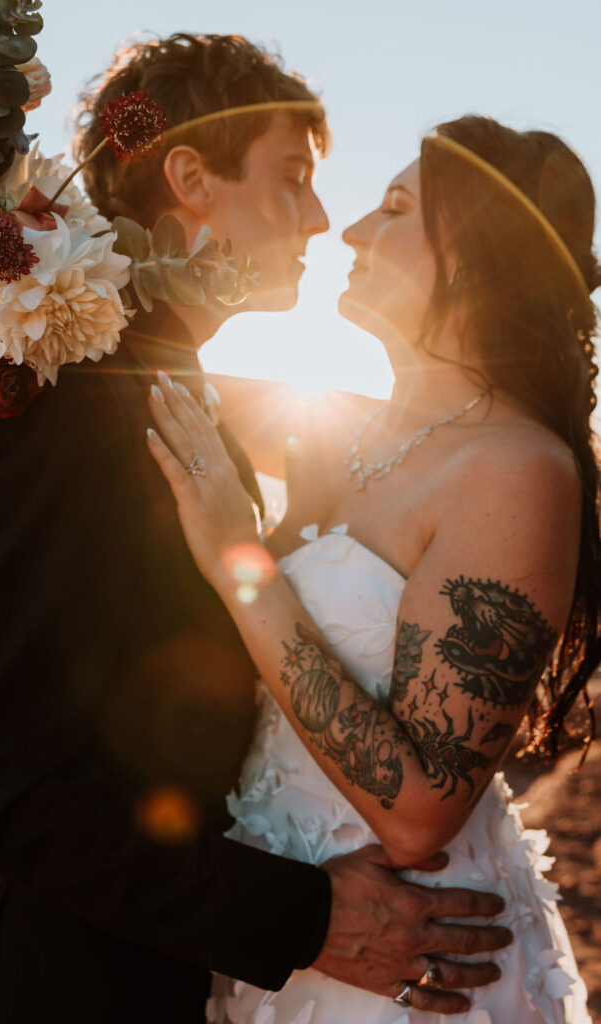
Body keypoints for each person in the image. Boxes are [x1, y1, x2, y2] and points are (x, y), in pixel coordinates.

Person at [0, 39, 510, 1024]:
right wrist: (304, 919)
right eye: (292, 178)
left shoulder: (166, 383)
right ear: (190, 176)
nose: (321, 217)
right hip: (49, 987)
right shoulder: (54, 394)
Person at [145, 114, 600, 1023]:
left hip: (415, 957)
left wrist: (241, 557)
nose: (350, 231)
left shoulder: (513, 471)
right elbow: (141, 376)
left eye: (394, 209)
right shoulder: (350, 437)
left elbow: (420, 807)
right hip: (292, 937)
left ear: (472, 260)